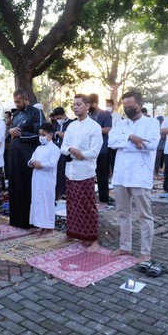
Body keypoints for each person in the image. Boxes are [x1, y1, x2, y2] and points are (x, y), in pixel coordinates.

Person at [108, 90, 160, 263]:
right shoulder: (122, 125)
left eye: (131, 106)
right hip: (121, 175)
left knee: (144, 215)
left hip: (140, 175)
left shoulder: (152, 123)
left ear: (140, 105)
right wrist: (131, 137)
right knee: (123, 213)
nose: (128, 109)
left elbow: (150, 145)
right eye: (126, 106)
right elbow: (111, 142)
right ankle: (125, 246)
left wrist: (125, 143)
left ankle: (145, 252)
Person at [60, 94, 103, 250]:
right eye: (74, 104)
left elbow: (95, 152)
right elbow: (63, 147)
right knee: (71, 205)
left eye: (78, 104)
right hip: (70, 170)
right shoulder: (71, 126)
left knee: (87, 206)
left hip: (85, 171)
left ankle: (93, 239)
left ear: (87, 106)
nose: (75, 107)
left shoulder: (94, 127)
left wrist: (81, 153)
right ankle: (72, 233)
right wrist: (72, 149)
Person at [7, 88, 43, 228]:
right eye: (15, 102)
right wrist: (11, 130)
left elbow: (40, 134)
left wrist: (21, 135)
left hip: (27, 155)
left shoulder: (36, 112)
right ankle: (16, 220)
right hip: (14, 156)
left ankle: (29, 221)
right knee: (14, 186)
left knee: (26, 186)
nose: (16, 104)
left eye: (19, 101)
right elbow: (11, 132)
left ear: (26, 99)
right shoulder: (16, 115)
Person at [28, 122, 61, 236]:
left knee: (47, 202)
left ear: (50, 135)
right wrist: (32, 162)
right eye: (40, 134)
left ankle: (49, 228)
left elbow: (52, 164)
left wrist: (41, 164)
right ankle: (41, 226)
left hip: (47, 180)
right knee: (38, 201)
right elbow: (31, 159)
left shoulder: (55, 149)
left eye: (43, 134)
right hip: (37, 178)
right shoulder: (38, 148)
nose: (41, 137)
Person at [87, 93, 113, 208]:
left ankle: (104, 201)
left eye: (90, 104)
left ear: (94, 103)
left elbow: (108, 130)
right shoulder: (88, 115)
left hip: (102, 150)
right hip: (88, 149)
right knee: (89, 175)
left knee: (102, 176)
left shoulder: (105, 114)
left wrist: (93, 129)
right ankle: (90, 199)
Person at [52, 106, 72, 199]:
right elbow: (52, 134)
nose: (58, 120)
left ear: (64, 115)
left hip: (66, 150)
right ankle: (58, 191)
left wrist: (64, 135)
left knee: (63, 170)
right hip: (56, 149)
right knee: (57, 171)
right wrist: (56, 134)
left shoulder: (71, 124)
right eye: (56, 119)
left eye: (59, 118)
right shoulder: (56, 124)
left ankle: (65, 191)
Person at [105, 98, 122, 171]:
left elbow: (118, 129)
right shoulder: (104, 115)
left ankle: (114, 177)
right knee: (105, 162)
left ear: (113, 106)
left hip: (113, 143)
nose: (107, 107)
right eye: (106, 105)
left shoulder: (117, 117)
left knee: (113, 161)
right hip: (105, 141)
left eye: (109, 105)